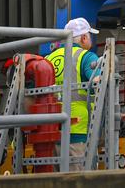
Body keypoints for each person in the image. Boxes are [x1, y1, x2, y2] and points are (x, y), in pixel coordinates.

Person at [46, 18, 101, 161]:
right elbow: (98, 81)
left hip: (51, 131)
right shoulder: (86, 56)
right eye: (89, 36)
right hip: (79, 132)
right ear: (83, 38)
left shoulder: (48, 59)